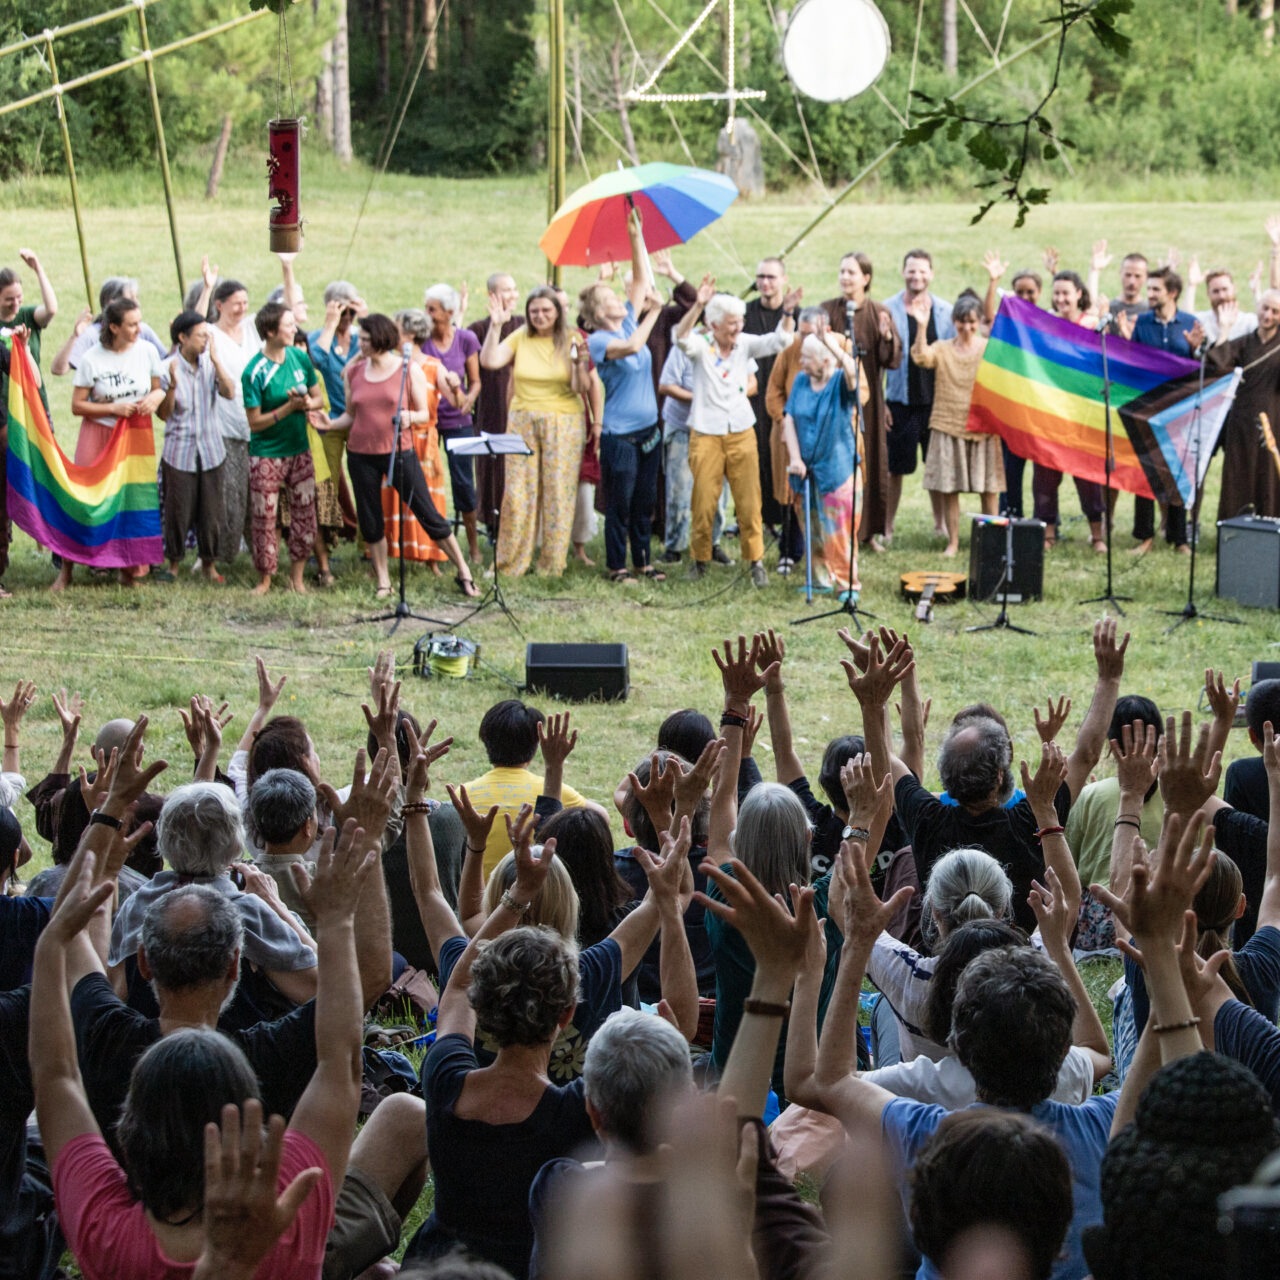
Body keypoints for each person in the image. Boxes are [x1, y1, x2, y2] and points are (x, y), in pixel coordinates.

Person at [31, 800, 375, 1277]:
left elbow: (54, 1078)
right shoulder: (289, 1216)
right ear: (251, 1125)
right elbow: (341, 1062)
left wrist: (51, 943)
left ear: (128, 1133)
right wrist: (336, 922)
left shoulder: (105, 1232)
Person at [400, 828, 597, 1279]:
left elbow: (457, 987)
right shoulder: (576, 1112)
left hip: (430, 1268)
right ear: (565, 1014)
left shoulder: (444, 1077)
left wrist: (517, 896)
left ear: (481, 1008)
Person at [325, 312, 478, 599]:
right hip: (360, 453)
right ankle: (383, 579)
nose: (362, 344)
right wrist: (329, 424)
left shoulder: (408, 370)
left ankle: (463, 570)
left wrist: (410, 417)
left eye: (367, 339)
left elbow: (423, 411)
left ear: (382, 340)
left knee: (428, 513)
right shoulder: (355, 373)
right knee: (370, 519)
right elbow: (351, 414)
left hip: (398, 450)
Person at [675, 276, 799, 587]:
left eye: (740, 321)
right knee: (703, 500)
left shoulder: (744, 344)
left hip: (741, 431)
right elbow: (680, 337)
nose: (738, 327)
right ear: (714, 325)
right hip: (705, 432)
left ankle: (755, 560)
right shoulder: (702, 346)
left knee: (748, 500)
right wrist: (699, 304)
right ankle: (700, 559)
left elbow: (779, 341)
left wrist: (787, 313)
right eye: (731, 323)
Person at [479, 287, 591, 577]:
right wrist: (496, 325)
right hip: (523, 419)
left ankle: (551, 565)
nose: (540, 316)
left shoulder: (572, 339)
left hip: (563, 421)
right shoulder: (520, 337)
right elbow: (490, 361)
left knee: (557, 491)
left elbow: (581, 388)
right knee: (516, 492)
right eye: (534, 311)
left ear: (558, 313)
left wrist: (580, 366)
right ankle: (510, 563)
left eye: (546, 311)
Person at [580, 217, 667, 584]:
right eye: (611, 298)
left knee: (645, 501)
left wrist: (636, 236)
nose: (620, 298)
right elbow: (633, 346)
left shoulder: (630, 319)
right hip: (619, 436)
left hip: (649, 430)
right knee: (621, 502)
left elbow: (642, 280)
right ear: (599, 313)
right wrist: (656, 312)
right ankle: (617, 566)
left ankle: (643, 562)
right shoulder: (598, 341)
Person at [62, 295, 166, 589]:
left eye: (139, 322)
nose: (139, 329)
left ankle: (127, 569)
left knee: (130, 501)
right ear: (114, 327)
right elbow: (77, 406)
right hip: (99, 433)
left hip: (135, 435)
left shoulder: (146, 351)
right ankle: (67, 568)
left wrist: (155, 398)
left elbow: (158, 389)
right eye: (132, 325)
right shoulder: (91, 358)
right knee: (86, 498)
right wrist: (112, 408)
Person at [453, 699, 602, 875]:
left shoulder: (463, 794)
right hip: (536, 895)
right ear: (536, 744)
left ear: (485, 740)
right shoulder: (561, 794)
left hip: (479, 898)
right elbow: (601, 818)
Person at [910, 292, 1002, 557]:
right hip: (948, 423)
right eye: (961, 322)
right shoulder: (942, 347)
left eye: (972, 322)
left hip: (981, 426)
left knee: (989, 489)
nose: (967, 328)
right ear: (954, 322)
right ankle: (954, 542)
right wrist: (921, 324)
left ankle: (992, 542)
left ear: (979, 322)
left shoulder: (987, 348)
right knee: (949, 489)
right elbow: (921, 357)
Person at [240, 302, 323, 595]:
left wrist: (306, 405)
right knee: (264, 517)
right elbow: (255, 423)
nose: (294, 329)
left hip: (299, 449)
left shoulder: (300, 358)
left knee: (305, 514)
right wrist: (288, 408)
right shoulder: (254, 371)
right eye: (288, 325)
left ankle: (297, 577)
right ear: (271, 331)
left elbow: (318, 399)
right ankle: (265, 578)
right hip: (266, 454)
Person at [820, 251, 901, 548]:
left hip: (869, 405)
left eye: (851, 272)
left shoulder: (879, 311)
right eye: (842, 271)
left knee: (871, 465)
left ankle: (867, 533)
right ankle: (838, 530)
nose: (845, 277)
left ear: (866, 278)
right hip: (835, 401)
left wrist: (887, 337)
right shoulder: (827, 310)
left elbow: (890, 361)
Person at [1117, 266, 1197, 553]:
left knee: (1178, 470)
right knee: (1146, 472)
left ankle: (1179, 538)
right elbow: (1131, 366)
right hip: (1148, 408)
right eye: (1148, 289)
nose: (1148, 294)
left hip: (1180, 409)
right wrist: (1127, 343)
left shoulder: (1189, 323)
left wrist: (1195, 349)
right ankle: (1145, 537)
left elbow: (1199, 366)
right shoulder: (1142, 324)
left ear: (1172, 293)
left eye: (1155, 290)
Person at [780, 333, 867, 596]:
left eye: (807, 359)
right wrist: (795, 458)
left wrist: (832, 344)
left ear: (827, 360)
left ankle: (847, 583)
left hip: (837, 471)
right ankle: (820, 579)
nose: (802, 363)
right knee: (813, 528)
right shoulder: (801, 381)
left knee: (838, 533)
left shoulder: (840, 381)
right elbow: (789, 419)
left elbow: (853, 371)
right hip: (806, 471)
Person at [156, 309, 236, 584]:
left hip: (212, 450)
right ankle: (173, 563)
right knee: (178, 510)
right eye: (201, 336)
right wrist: (172, 388)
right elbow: (163, 414)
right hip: (179, 451)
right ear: (182, 337)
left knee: (211, 511)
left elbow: (229, 392)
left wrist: (216, 359)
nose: (205, 341)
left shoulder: (211, 365)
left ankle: (209, 564)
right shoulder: (167, 367)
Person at [1032, 270, 1108, 550]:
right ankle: (1049, 533)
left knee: (1087, 474)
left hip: (1083, 413)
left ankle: (1097, 536)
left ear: (1079, 294)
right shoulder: (1045, 324)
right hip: (1050, 411)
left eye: (1066, 293)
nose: (1061, 298)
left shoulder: (1092, 324)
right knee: (1045, 475)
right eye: (1057, 293)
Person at [883, 249, 955, 542]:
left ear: (932, 274)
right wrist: (882, 403)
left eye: (923, 271)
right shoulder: (886, 309)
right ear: (903, 272)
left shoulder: (945, 311)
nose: (917, 276)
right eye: (911, 270)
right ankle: (886, 526)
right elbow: (879, 359)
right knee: (894, 469)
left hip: (935, 402)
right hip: (899, 402)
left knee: (936, 467)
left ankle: (940, 525)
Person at [745, 257, 804, 568]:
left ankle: (790, 542)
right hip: (754, 403)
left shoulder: (798, 316)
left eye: (771, 277)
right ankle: (764, 525)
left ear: (784, 279)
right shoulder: (747, 314)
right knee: (758, 469)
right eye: (760, 277)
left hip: (788, 407)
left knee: (785, 472)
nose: (765, 283)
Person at [1205, 288, 1280, 521]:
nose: (1268, 315)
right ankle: (1234, 529)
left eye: (1275, 311)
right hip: (1241, 421)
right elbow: (1217, 363)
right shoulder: (1246, 342)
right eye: (1265, 308)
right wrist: (1225, 329)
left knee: (1269, 477)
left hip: (1274, 419)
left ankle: (1270, 530)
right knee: (1238, 476)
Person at [423, 283, 485, 562]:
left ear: (449, 312)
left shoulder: (466, 339)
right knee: (428, 480)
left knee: (463, 482)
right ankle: (431, 546)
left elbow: (476, 381)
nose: (428, 314)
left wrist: (470, 398)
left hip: (459, 420)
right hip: (429, 421)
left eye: (432, 309)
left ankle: (472, 546)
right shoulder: (422, 341)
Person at [206, 279, 261, 567]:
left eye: (245, 302)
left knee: (258, 493)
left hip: (257, 424)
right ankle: (221, 553)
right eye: (236, 303)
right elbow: (191, 321)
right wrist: (206, 288)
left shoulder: (252, 327)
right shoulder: (212, 334)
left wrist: (286, 267)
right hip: (226, 425)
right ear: (219, 305)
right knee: (230, 494)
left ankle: (258, 551)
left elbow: (289, 309)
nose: (242, 308)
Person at [468, 272, 524, 534]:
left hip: (520, 403)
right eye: (506, 290)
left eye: (514, 290)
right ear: (492, 296)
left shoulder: (525, 325)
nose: (512, 295)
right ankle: (492, 521)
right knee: (492, 463)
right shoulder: (477, 329)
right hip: (491, 404)